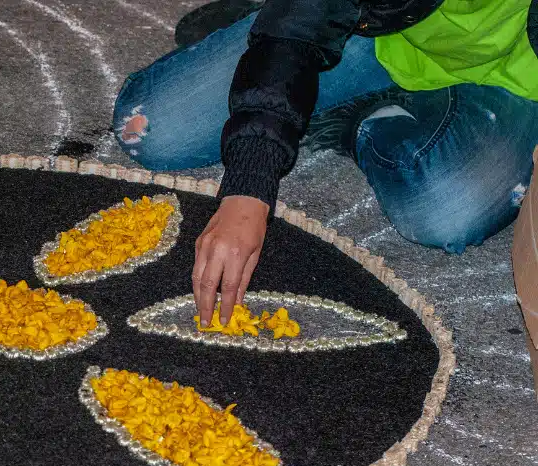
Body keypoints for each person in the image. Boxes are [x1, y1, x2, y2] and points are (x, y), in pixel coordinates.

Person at [113, 0, 538, 326]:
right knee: (149, 129)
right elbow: (301, 24)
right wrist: (249, 182)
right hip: (378, 30)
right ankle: (274, 32)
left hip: (516, 75)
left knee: (444, 213)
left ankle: (351, 120)